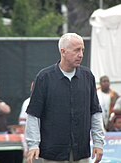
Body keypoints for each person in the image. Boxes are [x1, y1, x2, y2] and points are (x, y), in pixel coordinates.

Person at [25, 33, 104, 163]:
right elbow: (33, 114)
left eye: (82, 50)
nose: (81, 55)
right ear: (63, 51)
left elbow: (95, 111)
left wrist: (98, 142)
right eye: (77, 50)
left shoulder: (87, 76)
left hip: (81, 152)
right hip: (53, 154)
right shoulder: (44, 78)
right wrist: (33, 144)